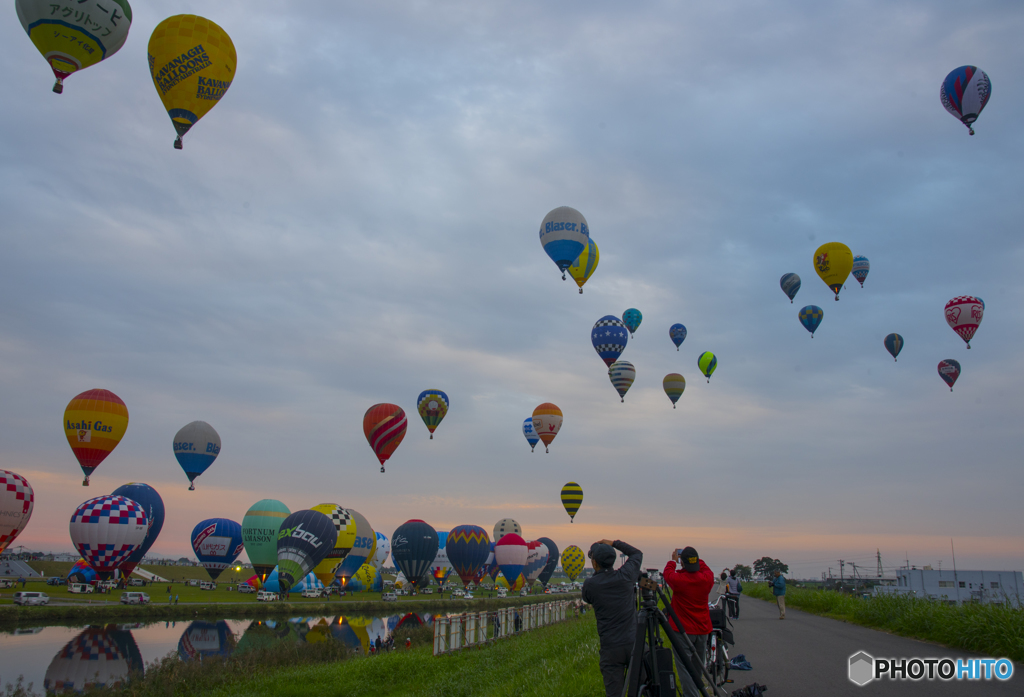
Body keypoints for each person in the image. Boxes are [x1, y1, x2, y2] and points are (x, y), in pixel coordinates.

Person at [580, 538, 642, 697]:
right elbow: (636, 554)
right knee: (644, 688)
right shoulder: (625, 576)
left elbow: (587, 598)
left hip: (611, 648)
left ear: (594, 563)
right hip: (634, 643)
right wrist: (614, 543)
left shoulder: (591, 585)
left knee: (614, 693)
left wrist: (598, 570)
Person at [663, 546, 714, 697]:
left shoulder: (679, 580)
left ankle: (691, 695)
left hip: (682, 630)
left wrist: (674, 560)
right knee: (698, 666)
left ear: (682, 563)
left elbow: (667, 573)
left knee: (685, 667)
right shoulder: (707, 579)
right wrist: (694, 557)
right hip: (702, 629)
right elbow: (705, 568)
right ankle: (696, 692)